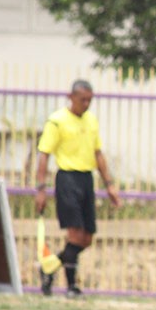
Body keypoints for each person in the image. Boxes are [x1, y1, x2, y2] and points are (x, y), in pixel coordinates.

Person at [34, 79, 122, 297]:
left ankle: (49, 268)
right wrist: (41, 189)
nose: (86, 104)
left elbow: (98, 153)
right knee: (74, 234)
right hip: (67, 179)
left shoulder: (91, 120)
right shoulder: (57, 121)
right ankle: (72, 286)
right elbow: (44, 155)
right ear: (70, 97)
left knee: (87, 237)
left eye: (89, 100)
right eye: (82, 99)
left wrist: (109, 184)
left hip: (86, 179)